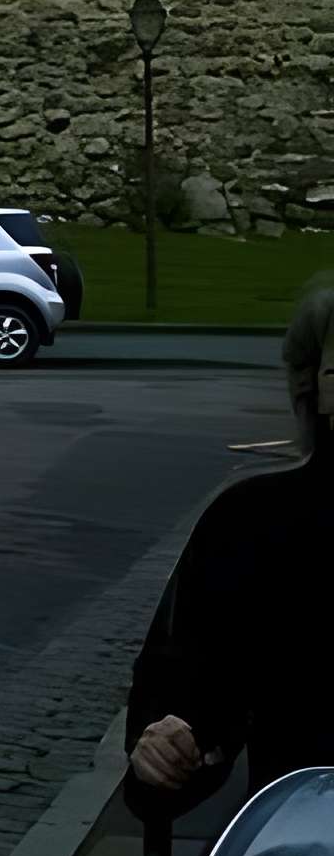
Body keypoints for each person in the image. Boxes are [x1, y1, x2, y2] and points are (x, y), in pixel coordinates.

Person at [127, 283, 334, 814]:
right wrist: (172, 744)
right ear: (315, 387)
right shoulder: (254, 521)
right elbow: (192, 688)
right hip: (302, 852)